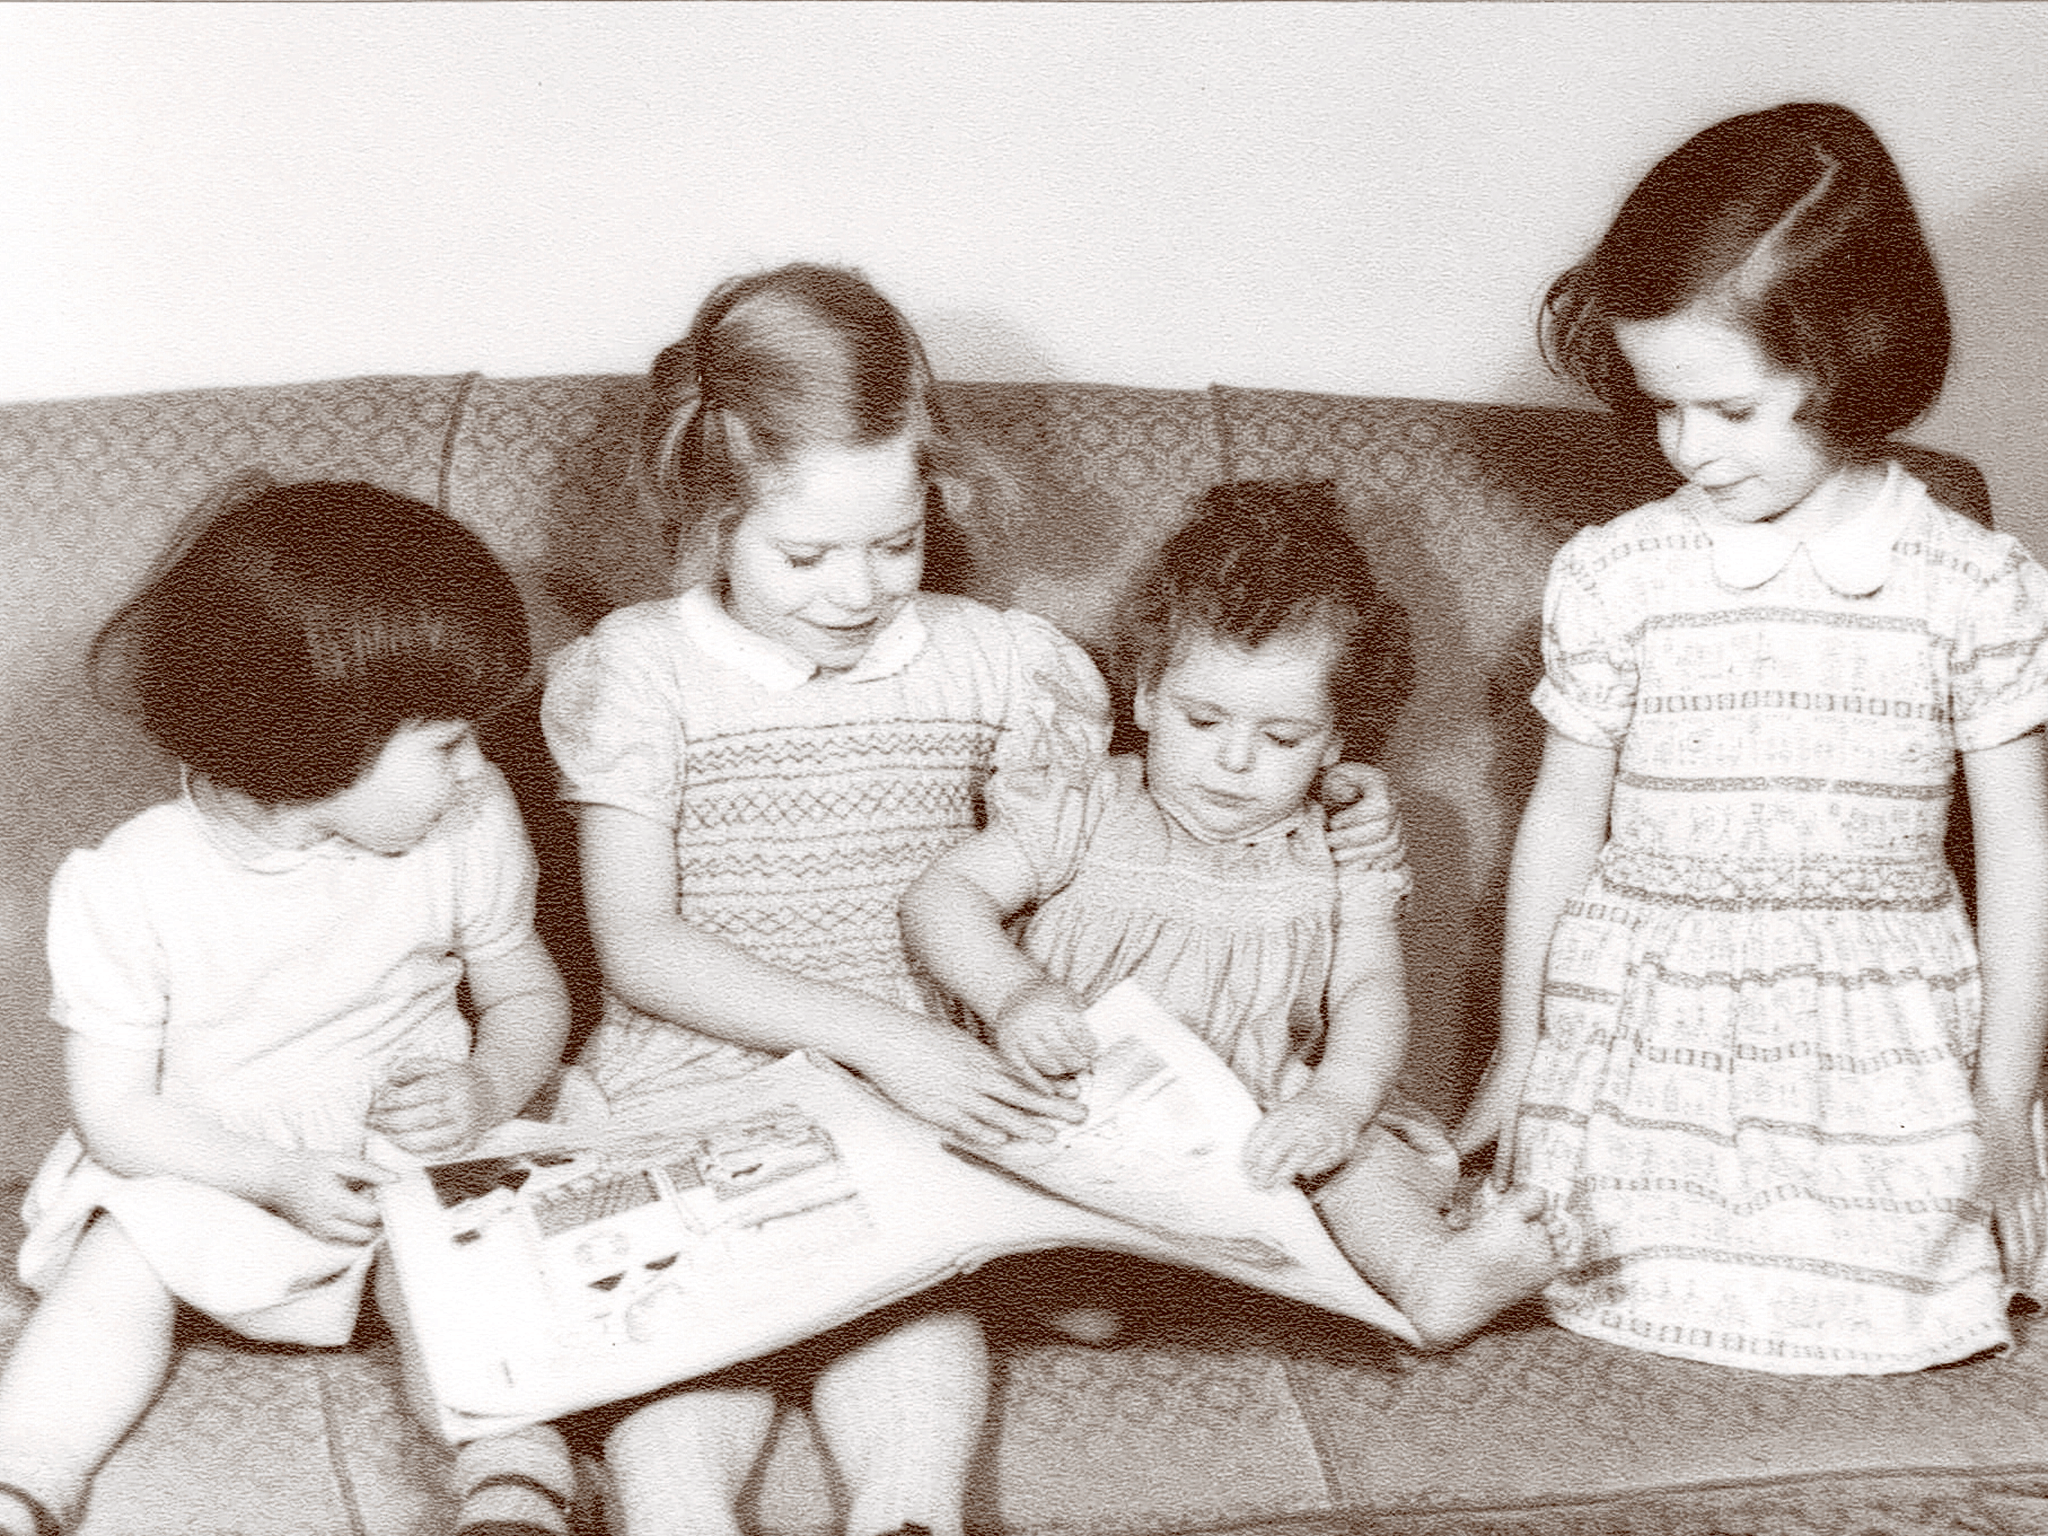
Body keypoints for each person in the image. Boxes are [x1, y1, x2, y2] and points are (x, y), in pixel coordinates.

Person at [540, 264, 1406, 1536]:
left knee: (912, 1312)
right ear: (705, 510)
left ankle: (908, 1512)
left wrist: (1332, 794)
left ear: (932, 491)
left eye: (895, 544)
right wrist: (888, 1040)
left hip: (932, 1083)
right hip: (703, 1066)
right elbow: (640, 946)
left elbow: (1155, 796)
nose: (856, 588)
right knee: (700, 1337)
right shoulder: (642, 673)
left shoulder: (996, 663)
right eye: (803, 553)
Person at [1455, 101, 2048, 1374]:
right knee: (1586, 1246)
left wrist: (2001, 1097)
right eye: (1660, 409)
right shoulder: (1620, 573)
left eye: (1727, 412)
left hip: (1872, 1042)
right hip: (1647, 1033)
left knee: (1912, 1280)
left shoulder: (1965, 583)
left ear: (1850, 360)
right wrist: (1520, 1048)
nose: (1684, 450)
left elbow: (2017, 853)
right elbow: (1561, 819)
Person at [0, 479, 576, 1536]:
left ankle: (510, 1476)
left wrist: (487, 1083)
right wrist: (271, 1176)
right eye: (446, 742)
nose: (478, 768)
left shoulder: (466, 822)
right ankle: (26, 1478)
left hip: (408, 1159)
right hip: (208, 1161)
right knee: (118, 1261)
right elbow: (118, 1117)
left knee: (455, 1260)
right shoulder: (133, 882)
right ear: (320, 739)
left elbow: (526, 991)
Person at [902, 480, 1564, 1350]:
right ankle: (1100, 1274)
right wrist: (1014, 995)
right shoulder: (1086, 805)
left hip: (1265, 1123)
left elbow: (1369, 989)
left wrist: (1335, 1099)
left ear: (1336, 740)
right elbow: (941, 898)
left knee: (1362, 1163)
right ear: (1142, 698)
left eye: (1284, 737)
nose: (1234, 762)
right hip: (1085, 1105)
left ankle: (1431, 1275)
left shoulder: (1340, 847)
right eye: (1202, 719)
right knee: (1012, 1192)